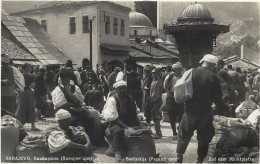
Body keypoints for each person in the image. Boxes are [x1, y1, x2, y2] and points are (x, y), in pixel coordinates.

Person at [176, 54, 229, 163]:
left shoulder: (190, 72)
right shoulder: (213, 77)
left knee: (184, 134)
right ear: (211, 65)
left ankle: (178, 158)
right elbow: (217, 98)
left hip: (190, 111)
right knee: (204, 136)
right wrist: (225, 107)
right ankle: (199, 160)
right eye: (214, 66)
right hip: (205, 112)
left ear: (203, 62)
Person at [51, 68, 95, 146]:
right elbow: (58, 105)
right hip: (64, 110)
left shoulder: (75, 88)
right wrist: (71, 104)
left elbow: (80, 102)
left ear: (69, 79)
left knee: (90, 118)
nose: (65, 81)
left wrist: (69, 92)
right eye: (63, 79)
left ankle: (91, 141)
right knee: (72, 121)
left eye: (66, 79)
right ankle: (74, 142)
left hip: (76, 109)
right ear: (60, 79)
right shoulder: (57, 90)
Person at [102, 78, 141, 162]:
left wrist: (141, 124)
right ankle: (117, 152)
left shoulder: (130, 99)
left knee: (141, 131)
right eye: (120, 89)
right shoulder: (112, 100)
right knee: (118, 131)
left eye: (124, 88)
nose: (122, 91)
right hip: (116, 122)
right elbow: (114, 117)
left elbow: (135, 114)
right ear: (116, 90)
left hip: (129, 120)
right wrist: (127, 127)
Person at [163, 62, 184, 141]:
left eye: (180, 70)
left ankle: (180, 130)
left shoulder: (183, 77)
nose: (179, 71)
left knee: (181, 116)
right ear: (173, 70)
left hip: (180, 98)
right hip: (171, 98)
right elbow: (165, 86)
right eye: (177, 70)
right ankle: (174, 133)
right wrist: (170, 93)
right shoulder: (169, 77)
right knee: (172, 117)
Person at [15, 63, 39, 131]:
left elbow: (33, 83)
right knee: (21, 109)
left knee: (31, 108)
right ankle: (20, 125)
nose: (30, 69)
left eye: (30, 67)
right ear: (25, 68)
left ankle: (33, 126)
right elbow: (17, 85)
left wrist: (33, 85)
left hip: (29, 93)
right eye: (29, 67)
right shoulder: (20, 75)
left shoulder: (31, 76)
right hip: (22, 93)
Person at [148, 67, 164, 139]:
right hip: (154, 101)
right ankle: (158, 131)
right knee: (155, 117)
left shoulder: (158, 82)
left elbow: (156, 94)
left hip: (156, 102)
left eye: (155, 73)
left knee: (156, 117)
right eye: (153, 73)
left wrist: (151, 101)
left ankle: (158, 133)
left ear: (158, 74)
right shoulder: (153, 81)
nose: (153, 75)